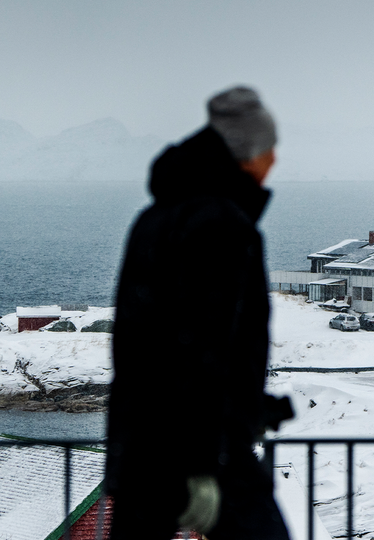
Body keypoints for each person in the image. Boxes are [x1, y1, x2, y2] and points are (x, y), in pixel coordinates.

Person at [105, 86, 292, 540]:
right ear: (246, 155)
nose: (274, 161)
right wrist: (204, 463)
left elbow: (139, 342)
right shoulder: (224, 225)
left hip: (139, 441)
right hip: (202, 450)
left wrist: (254, 409)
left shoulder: (153, 219)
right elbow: (202, 349)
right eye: (269, 150)